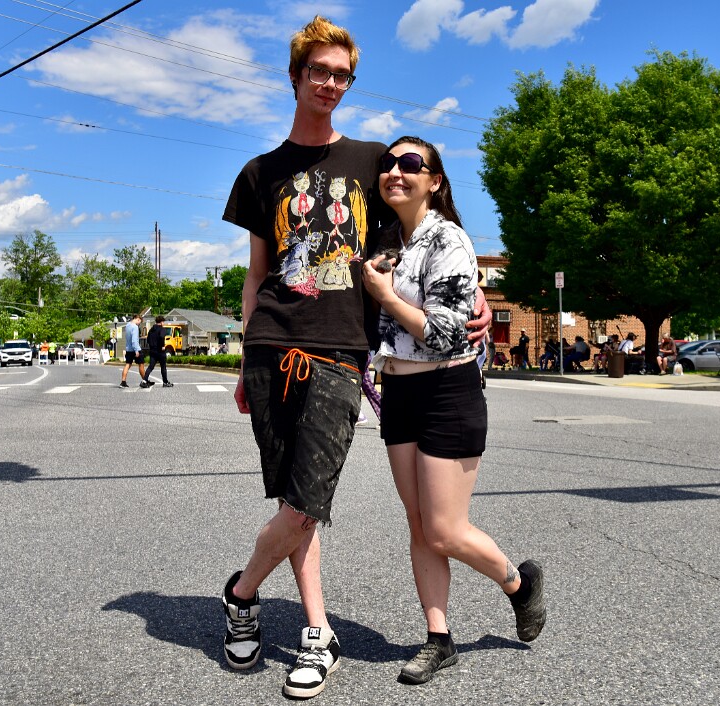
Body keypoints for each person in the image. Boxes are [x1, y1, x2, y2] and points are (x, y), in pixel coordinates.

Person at [219, 17, 491, 699]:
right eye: (320, 71)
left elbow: (423, 218)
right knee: (297, 500)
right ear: (296, 76)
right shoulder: (258, 173)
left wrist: (473, 293)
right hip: (272, 344)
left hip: (342, 350)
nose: (331, 83)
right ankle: (316, 631)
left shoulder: (372, 160)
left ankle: (242, 591)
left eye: (342, 74)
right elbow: (257, 276)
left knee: (309, 498)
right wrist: (246, 357)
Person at [363, 136, 545, 686]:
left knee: (444, 528)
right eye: (388, 164)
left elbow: (444, 335)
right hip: (399, 394)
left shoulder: (451, 241)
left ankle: (519, 583)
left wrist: (388, 298)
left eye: (411, 164)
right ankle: (438, 639)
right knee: (420, 525)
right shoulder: (386, 241)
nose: (397, 171)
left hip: (448, 391)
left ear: (435, 180)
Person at [142, 315, 173, 388]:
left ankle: (144, 380)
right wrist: (162, 345)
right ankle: (165, 382)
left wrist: (152, 346)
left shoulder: (151, 330)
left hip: (152, 350)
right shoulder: (162, 329)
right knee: (163, 367)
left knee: (151, 366)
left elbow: (148, 339)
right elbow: (162, 337)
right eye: (163, 322)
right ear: (161, 322)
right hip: (160, 351)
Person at [119, 314, 144, 388]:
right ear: (137, 319)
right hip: (135, 348)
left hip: (128, 349)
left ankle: (123, 382)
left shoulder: (127, 325)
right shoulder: (135, 327)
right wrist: (136, 350)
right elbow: (134, 340)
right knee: (141, 364)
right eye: (140, 322)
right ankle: (145, 381)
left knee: (128, 364)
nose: (139, 323)